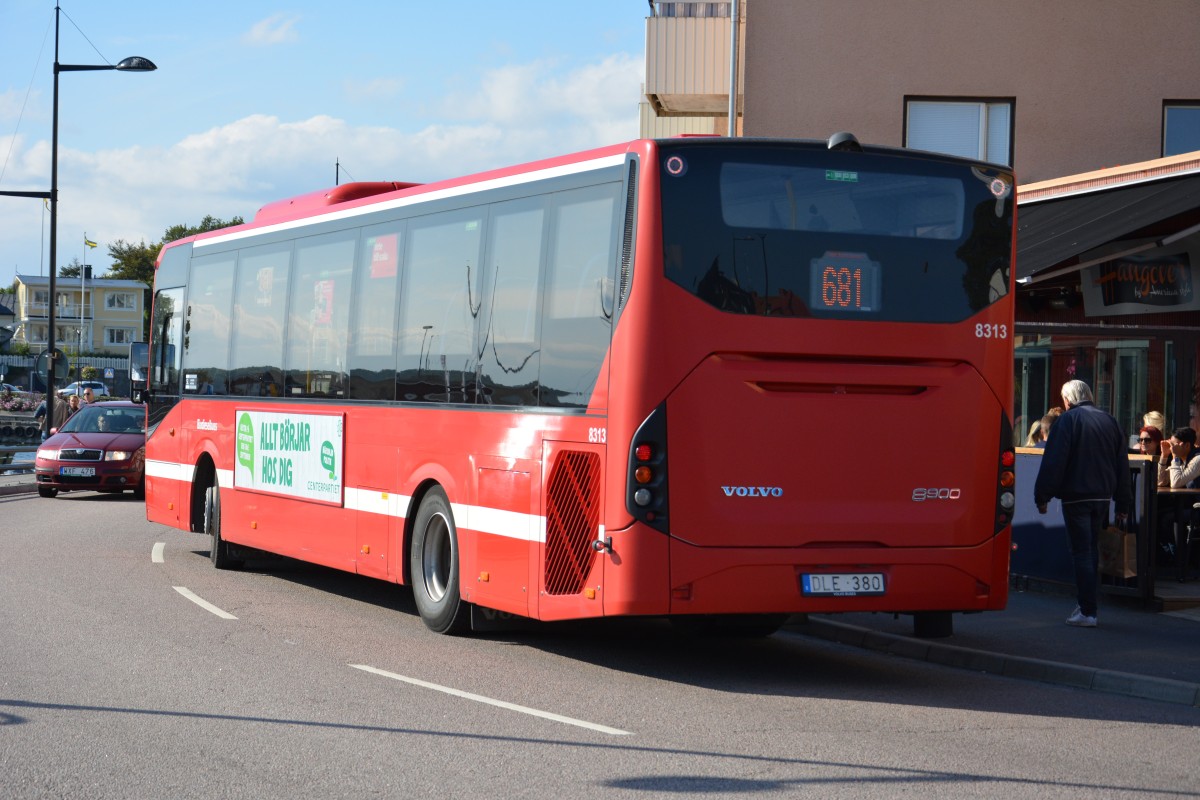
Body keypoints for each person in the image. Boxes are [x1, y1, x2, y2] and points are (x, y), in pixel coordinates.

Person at [1034, 380, 1132, 628]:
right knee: (1091, 549)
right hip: (1102, 496)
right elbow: (1122, 463)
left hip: (1077, 495)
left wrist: (1042, 496)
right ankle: (1088, 607)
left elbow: (1054, 462)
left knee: (1081, 552)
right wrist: (1123, 502)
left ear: (1068, 400)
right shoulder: (1110, 421)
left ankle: (1087, 610)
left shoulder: (1067, 420)